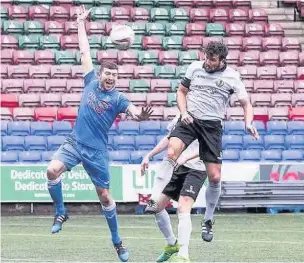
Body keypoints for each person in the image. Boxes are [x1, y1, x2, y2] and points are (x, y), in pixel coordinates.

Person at [46, 5, 152, 262]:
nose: (111, 78)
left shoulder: (118, 98)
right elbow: (84, 50)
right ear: (101, 74)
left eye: (114, 75)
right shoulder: (90, 81)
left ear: (117, 77)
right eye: (107, 74)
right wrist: (81, 22)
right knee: (51, 171)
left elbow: (134, 111)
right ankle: (61, 211)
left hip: (96, 151)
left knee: (104, 196)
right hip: (75, 142)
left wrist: (141, 116)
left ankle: (117, 242)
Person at [145, 42, 259, 243]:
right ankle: (158, 197)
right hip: (190, 119)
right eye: (206, 57)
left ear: (222, 60)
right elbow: (181, 92)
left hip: (212, 126)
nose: (207, 62)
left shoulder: (232, 76)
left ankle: (208, 219)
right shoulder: (194, 68)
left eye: (212, 60)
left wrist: (248, 122)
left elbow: (246, 103)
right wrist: (183, 112)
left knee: (214, 177)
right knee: (172, 152)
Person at [141, 114, 208, 262]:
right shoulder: (180, 116)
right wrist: (149, 155)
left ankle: (183, 255)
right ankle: (172, 244)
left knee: (183, 207)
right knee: (157, 207)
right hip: (178, 166)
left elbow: (210, 146)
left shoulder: (208, 116)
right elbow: (169, 138)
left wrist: (187, 157)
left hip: (197, 169)